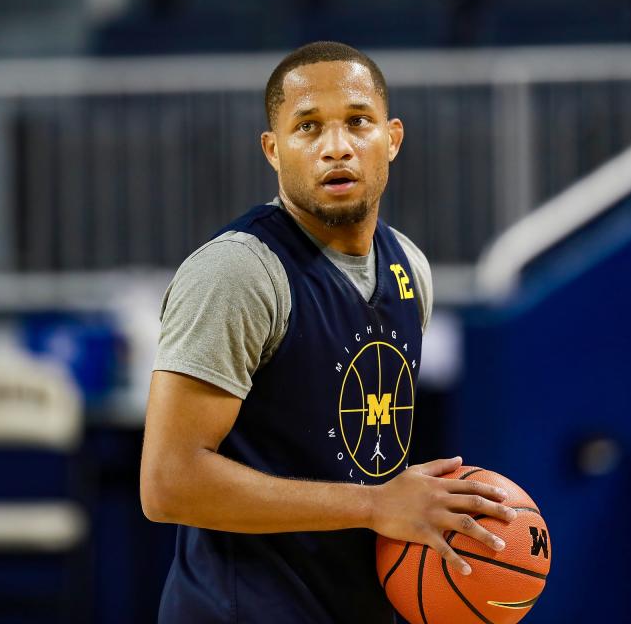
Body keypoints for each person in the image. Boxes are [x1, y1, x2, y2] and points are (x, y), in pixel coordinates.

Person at [140, 41, 517, 623]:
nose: (336, 147)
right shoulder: (238, 272)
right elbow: (168, 483)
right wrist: (375, 505)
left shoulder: (409, 267)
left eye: (357, 122)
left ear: (392, 138)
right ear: (273, 149)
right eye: (308, 127)